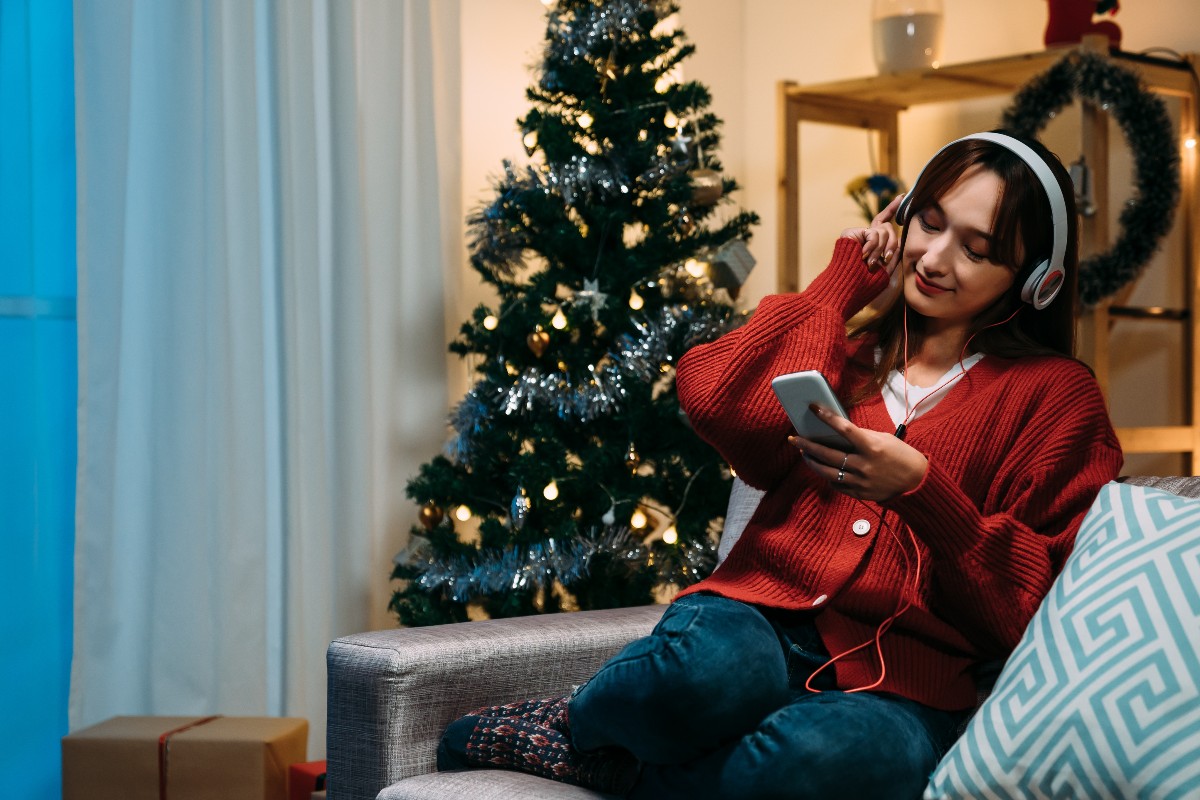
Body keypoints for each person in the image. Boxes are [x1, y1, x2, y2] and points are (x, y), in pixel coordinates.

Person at [435, 130, 1123, 799]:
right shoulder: (844, 351)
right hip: (755, 622)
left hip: (902, 692)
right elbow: (712, 398)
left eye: (975, 249)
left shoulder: (1057, 399)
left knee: (824, 761)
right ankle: (575, 724)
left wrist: (921, 492)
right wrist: (838, 285)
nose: (935, 259)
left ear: (1036, 281)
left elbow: (1029, 606)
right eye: (929, 223)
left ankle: (602, 762)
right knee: (706, 673)